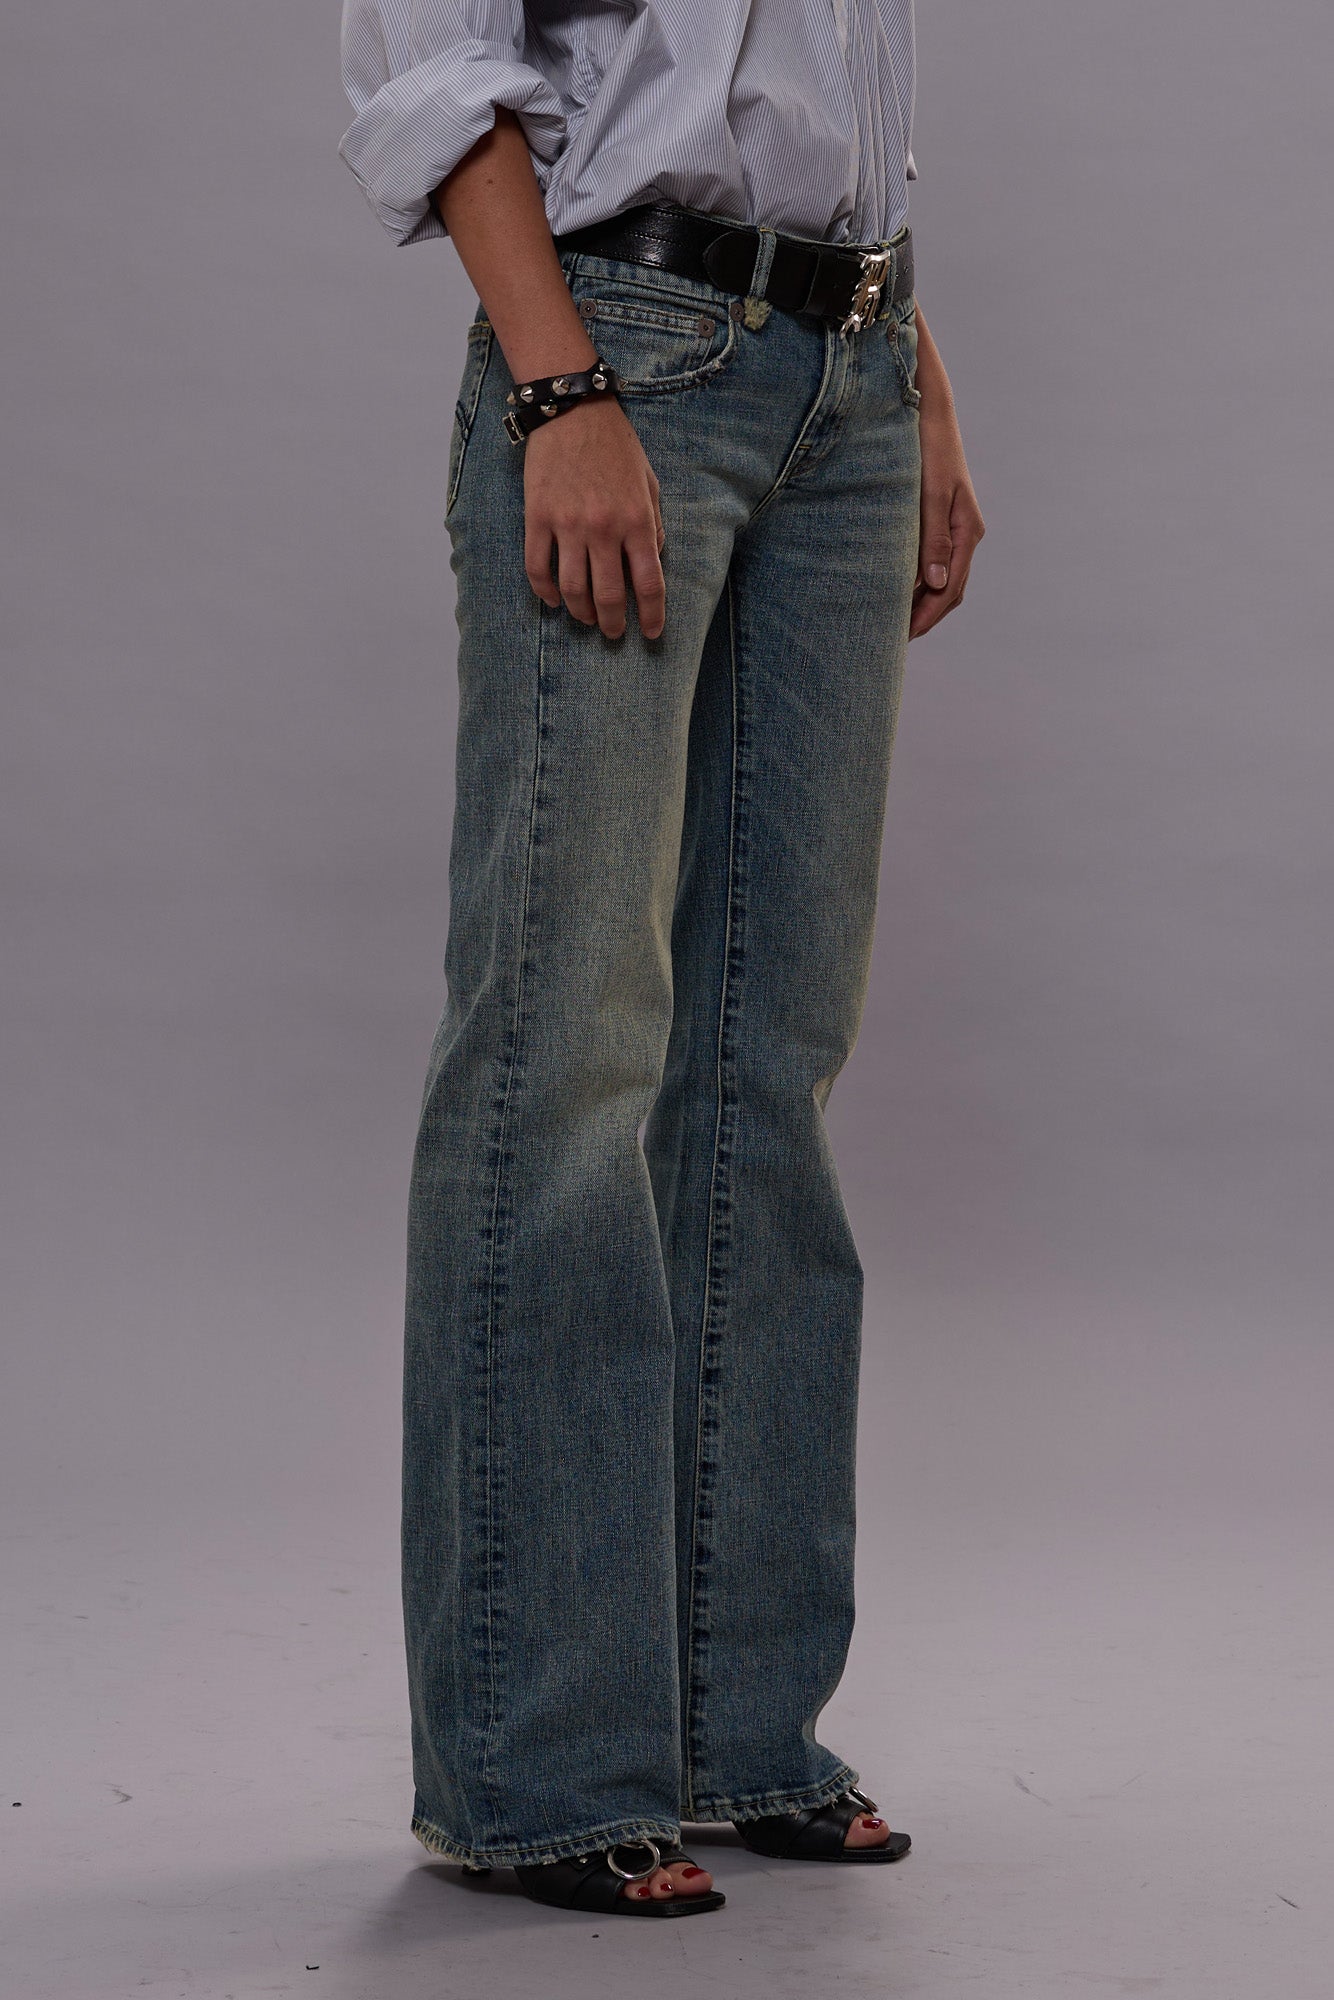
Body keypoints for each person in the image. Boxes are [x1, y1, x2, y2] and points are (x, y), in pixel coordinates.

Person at [338, 0, 984, 1921]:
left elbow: (829, 95)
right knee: (565, 1054)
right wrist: (557, 395)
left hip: (849, 370)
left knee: (764, 1070)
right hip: (625, 353)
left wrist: (915, 376)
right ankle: (537, 1764)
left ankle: (738, 1723)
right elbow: (428, 65)